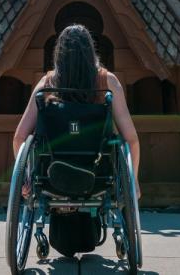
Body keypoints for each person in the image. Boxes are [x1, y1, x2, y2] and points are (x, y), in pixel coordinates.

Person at [12, 24, 141, 256]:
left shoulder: (46, 85)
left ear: (58, 54)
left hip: (51, 176)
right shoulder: (108, 82)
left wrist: (26, 180)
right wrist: (134, 183)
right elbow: (131, 138)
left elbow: (20, 137)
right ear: (91, 51)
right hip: (99, 175)